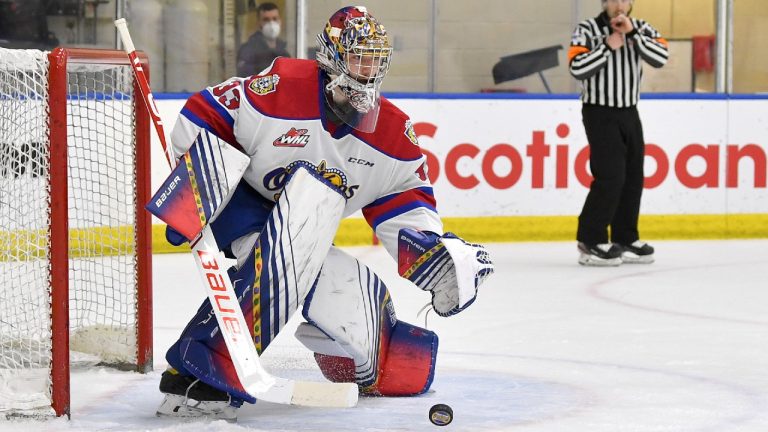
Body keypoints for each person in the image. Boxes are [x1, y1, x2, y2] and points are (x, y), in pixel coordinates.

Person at [156, 6, 494, 420]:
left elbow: (405, 198)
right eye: (357, 56)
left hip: (307, 222)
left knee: (342, 292)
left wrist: (431, 252)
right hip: (243, 201)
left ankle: (377, 356)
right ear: (330, 56)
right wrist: (198, 184)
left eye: (374, 58)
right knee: (292, 249)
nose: (367, 67)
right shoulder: (280, 88)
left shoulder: (392, 133)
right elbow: (207, 111)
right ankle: (200, 371)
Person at [568, 0, 668, 266]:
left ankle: (624, 237)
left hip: (629, 112)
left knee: (633, 176)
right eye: (613, 0)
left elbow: (660, 58)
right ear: (604, 3)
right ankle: (590, 238)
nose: (619, 5)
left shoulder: (642, 28)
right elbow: (577, 67)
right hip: (599, 112)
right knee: (610, 176)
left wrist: (632, 33)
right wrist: (607, 47)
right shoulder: (586, 29)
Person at [236, 2, 290, 77]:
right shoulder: (248, 50)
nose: (271, 24)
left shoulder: (283, 51)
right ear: (259, 23)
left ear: (280, 21)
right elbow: (246, 79)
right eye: (266, 19)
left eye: (275, 19)